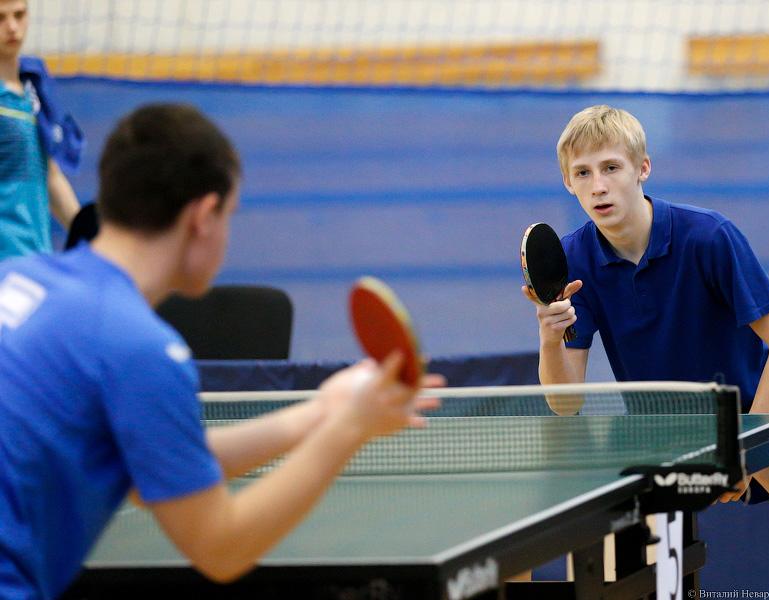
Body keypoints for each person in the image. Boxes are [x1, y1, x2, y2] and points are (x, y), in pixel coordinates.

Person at [0, 103, 441, 600]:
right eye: (230, 214)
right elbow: (221, 548)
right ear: (204, 217)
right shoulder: (137, 347)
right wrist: (346, 431)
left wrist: (321, 411)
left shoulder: (20, 278)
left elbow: (156, 475)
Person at [523, 104, 769, 592]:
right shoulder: (574, 260)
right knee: (627, 578)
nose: (598, 185)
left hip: (752, 417)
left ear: (642, 169)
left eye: (611, 167)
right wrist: (550, 337)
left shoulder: (709, 237)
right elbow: (564, 402)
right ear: (569, 184)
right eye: (583, 173)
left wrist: (745, 451)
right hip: (661, 438)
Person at [0, 0, 81, 261]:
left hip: (36, 258)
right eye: (0, 18)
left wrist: (91, 239)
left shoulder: (33, 86)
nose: (12, 27)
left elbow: (51, 175)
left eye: (19, 15)